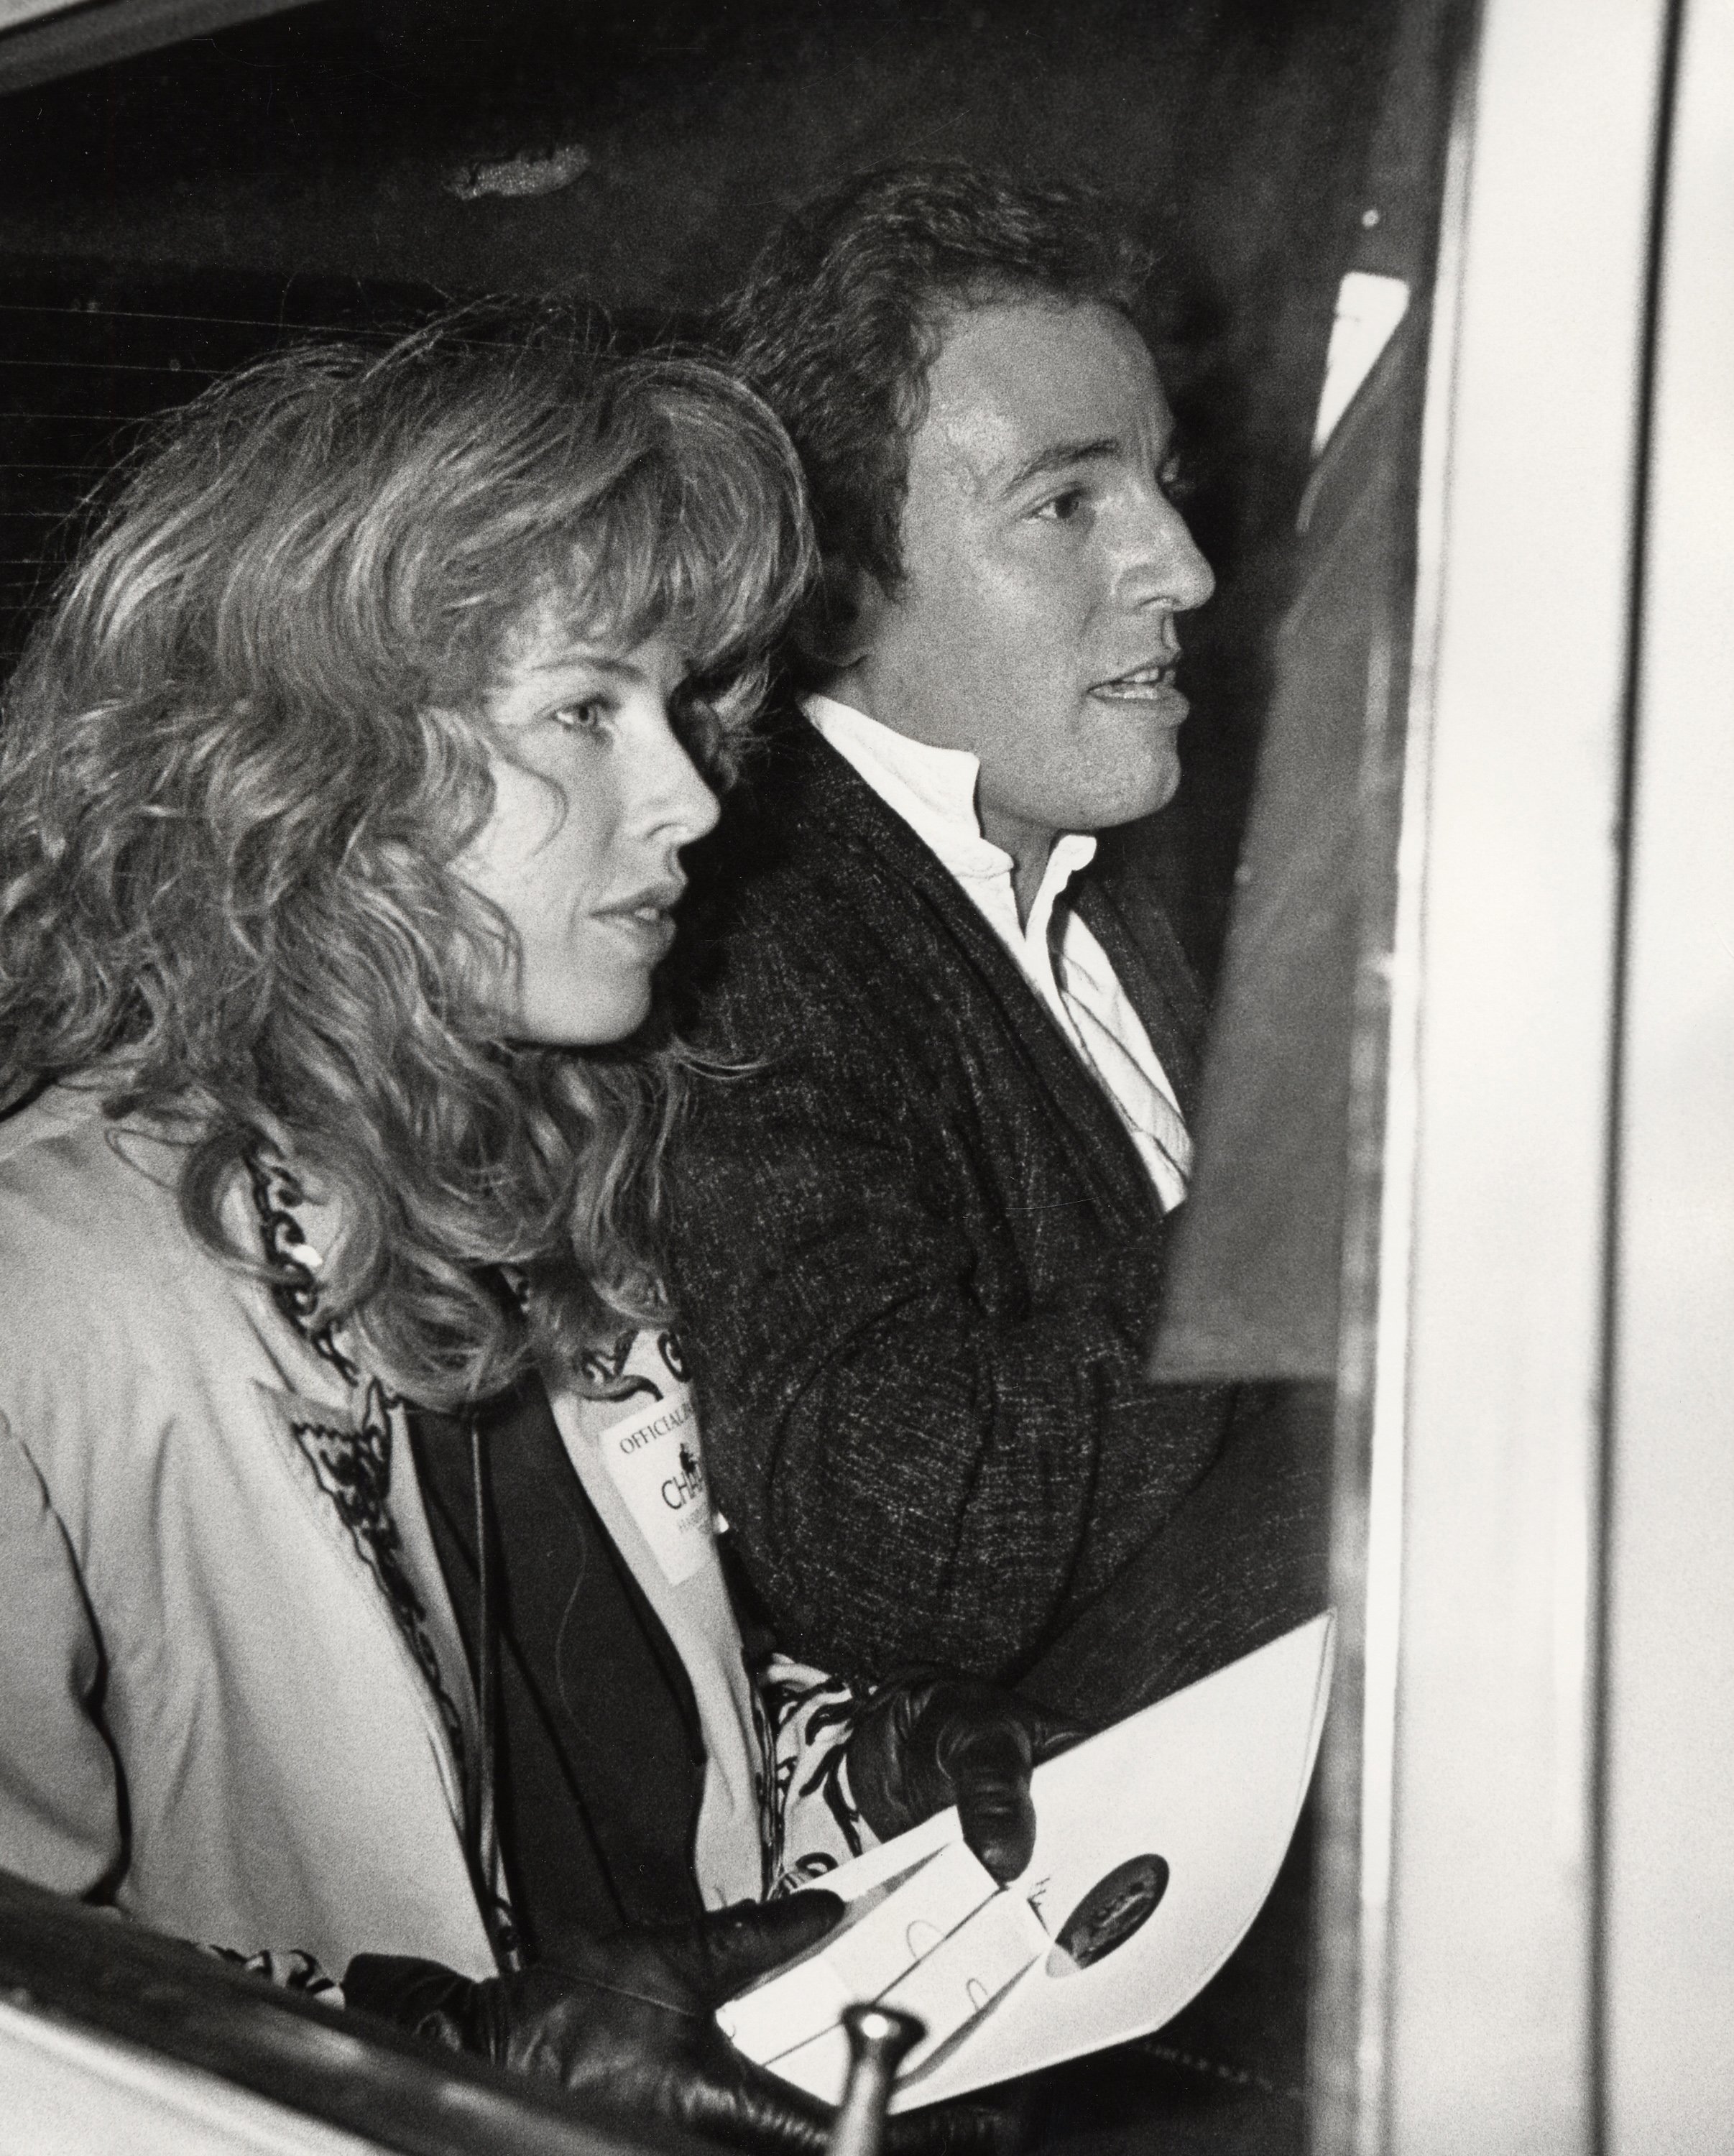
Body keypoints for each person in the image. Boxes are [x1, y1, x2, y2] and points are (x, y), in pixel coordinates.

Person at [0, 312, 1046, 2152]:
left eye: (678, 704)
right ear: (304, 772)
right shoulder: (49, 1296)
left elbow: (616, 1765)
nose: (695, 799)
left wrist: (857, 1767)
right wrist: (448, 2066)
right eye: (585, 710)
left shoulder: (552, 1180)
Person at [665, 164, 1329, 1728]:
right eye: (1066, 501)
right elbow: (895, 1526)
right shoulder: (747, 940)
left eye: (1160, 483)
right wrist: (1316, 1200)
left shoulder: (1102, 883)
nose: (1182, 567)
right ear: (829, 575)